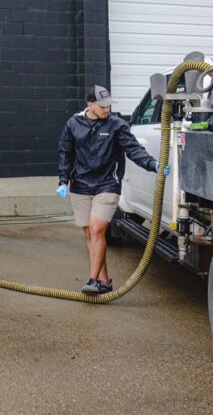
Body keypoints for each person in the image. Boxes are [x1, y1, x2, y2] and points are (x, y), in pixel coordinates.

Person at [56, 85, 167, 294]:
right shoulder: (73, 124)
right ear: (90, 105)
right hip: (80, 185)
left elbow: (133, 149)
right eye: (102, 106)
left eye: (108, 105)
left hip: (107, 184)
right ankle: (104, 282)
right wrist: (63, 181)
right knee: (90, 234)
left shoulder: (116, 125)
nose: (107, 109)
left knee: (98, 230)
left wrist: (152, 164)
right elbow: (65, 153)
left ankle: (92, 280)